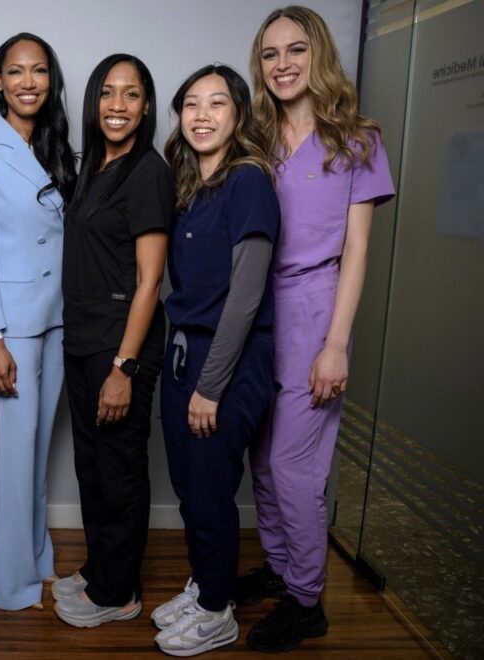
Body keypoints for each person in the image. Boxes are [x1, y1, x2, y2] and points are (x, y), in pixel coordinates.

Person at [238, 7, 395, 652]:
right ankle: (280, 567)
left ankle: (307, 599)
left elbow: (357, 251)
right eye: (270, 54)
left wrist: (335, 344)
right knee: (263, 458)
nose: (282, 65)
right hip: (257, 310)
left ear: (319, 55)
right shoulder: (253, 137)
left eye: (295, 50)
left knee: (294, 465)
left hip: (315, 307)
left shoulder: (357, 140)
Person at [152, 64, 280, 657]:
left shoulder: (248, 180)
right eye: (191, 105)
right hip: (185, 352)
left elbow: (247, 293)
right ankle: (208, 584)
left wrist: (210, 385)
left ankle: (216, 612)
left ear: (238, 115)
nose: (202, 115)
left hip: (225, 359)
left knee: (208, 491)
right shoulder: (191, 187)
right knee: (188, 484)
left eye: (217, 104)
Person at [0, 32, 76, 611]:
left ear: (50, 81)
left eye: (39, 71)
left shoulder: (57, 147)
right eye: (15, 71)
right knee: (17, 450)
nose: (28, 82)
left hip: (57, 318)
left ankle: (32, 556)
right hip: (14, 327)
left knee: (35, 450)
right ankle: (9, 584)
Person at [52, 54, 172, 628]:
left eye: (130, 94)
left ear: (146, 106)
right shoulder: (96, 167)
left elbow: (151, 278)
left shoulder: (148, 170)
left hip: (121, 345)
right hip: (83, 341)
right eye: (107, 92)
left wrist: (123, 366)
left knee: (119, 470)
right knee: (92, 466)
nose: (117, 105)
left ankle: (118, 593)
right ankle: (103, 567)